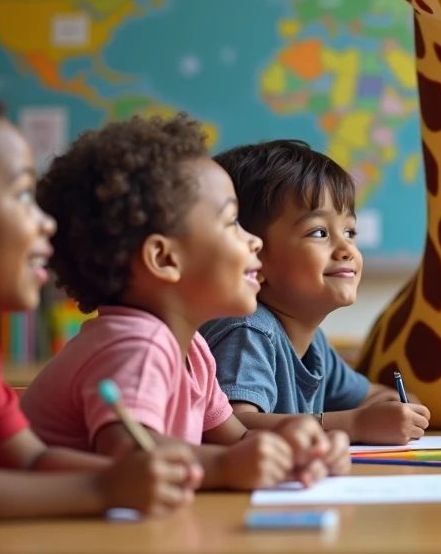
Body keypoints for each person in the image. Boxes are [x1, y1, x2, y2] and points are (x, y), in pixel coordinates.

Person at [0, 83, 201, 532]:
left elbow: (31, 459)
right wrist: (102, 490)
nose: (48, 223)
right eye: (24, 197)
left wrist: (140, 477)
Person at [20, 116, 350, 490]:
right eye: (231, 223)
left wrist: (296, 445)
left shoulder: (192, 349)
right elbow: (132, 454)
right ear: (164, 259)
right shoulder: (135, 345)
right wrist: (226, 466)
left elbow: (236, 440)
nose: (255, 241)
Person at [201, 140, 430, 445]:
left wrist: (399, 405)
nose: (347, 248)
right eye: (319, 232)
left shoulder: (314, 344)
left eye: (350, 232)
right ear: (254, 255)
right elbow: (236, 426)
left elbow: (369, 395)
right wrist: (356, 424)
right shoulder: (249, 330)